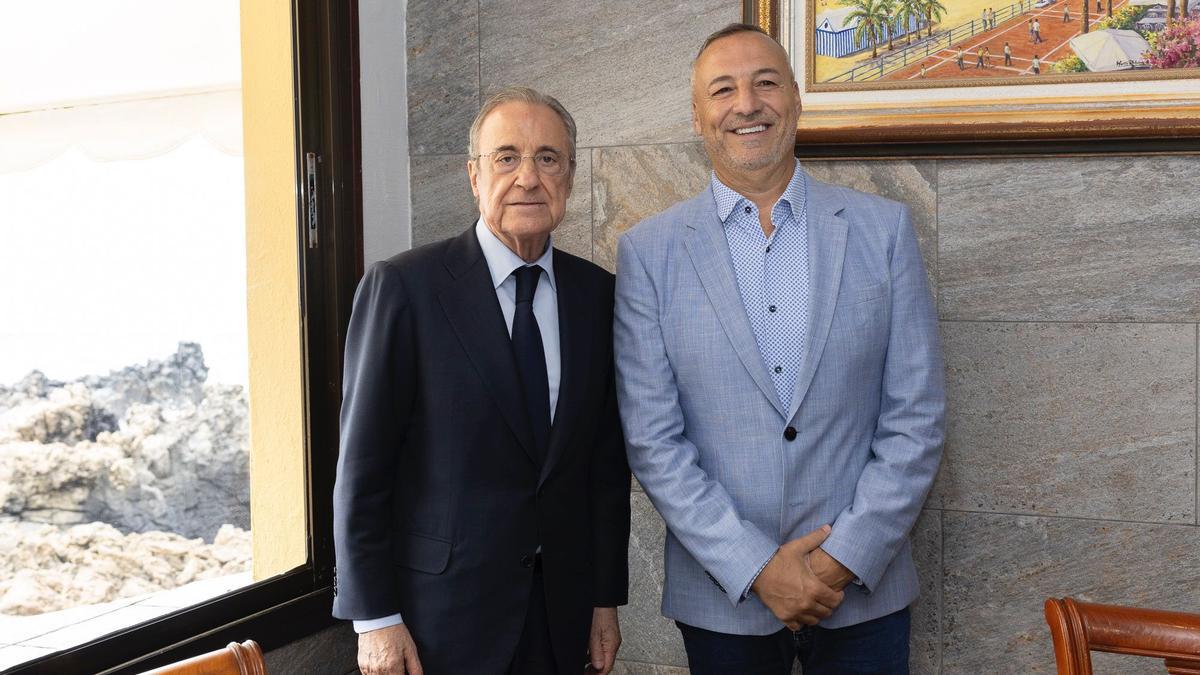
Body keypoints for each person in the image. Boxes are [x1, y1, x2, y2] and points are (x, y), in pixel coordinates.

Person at [613, 23, 945, 675]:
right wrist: (758, 567)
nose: (747, 103)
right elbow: (653, 437)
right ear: (699, 115)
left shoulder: (881, 230)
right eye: (724, 89)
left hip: (861, 592)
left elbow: (917, 416)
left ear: (795, 98)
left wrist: (840, 557)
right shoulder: (649, 253)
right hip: (724, 597)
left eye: (766, 83)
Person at [332, 86, 631, 675]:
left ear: (570, 177)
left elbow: (602, 467)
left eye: (548, 158)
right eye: (506, 157)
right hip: (437, 624)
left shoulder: (597, 295)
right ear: (474, 176)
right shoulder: (404, 289)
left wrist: (603, 598)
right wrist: (375, 620)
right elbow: (361, 471)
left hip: (560, 619)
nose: (527, 177)